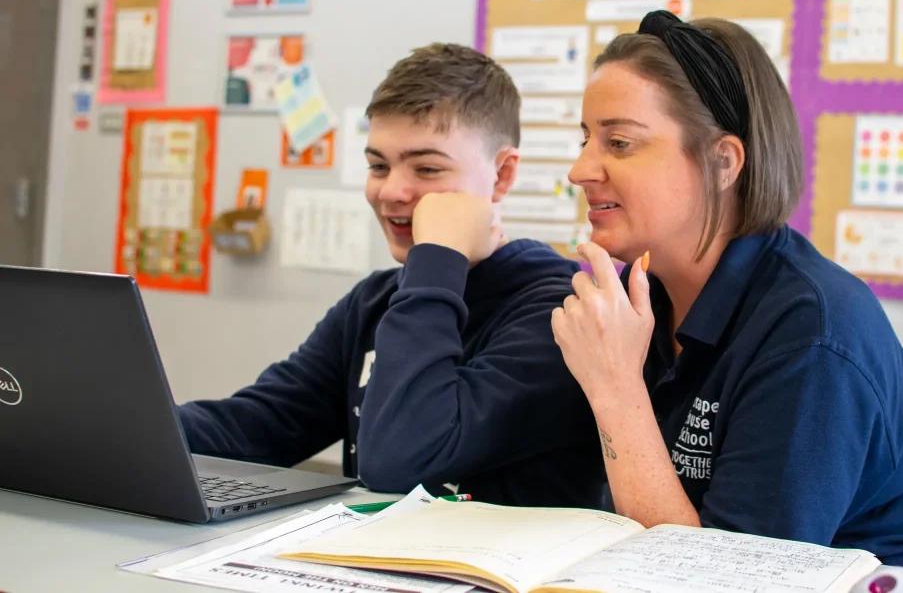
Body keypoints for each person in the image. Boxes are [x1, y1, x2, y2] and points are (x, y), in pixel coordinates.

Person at [550, 10, 903, 577]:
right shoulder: (637, 302)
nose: (580, 169)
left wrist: (616, 390)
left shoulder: (812, 333)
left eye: (619, 142)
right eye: (585, 139)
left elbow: (722, 584)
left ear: (722, 163)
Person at [179, 43, 604, 509]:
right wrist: (134, 425)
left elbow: (402, 461)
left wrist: (437, 259)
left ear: (501, 176)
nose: (391, 191)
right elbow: (257, 426)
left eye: (427, 168)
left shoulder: (560, 311)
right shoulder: (375, 301)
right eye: (378, 166)